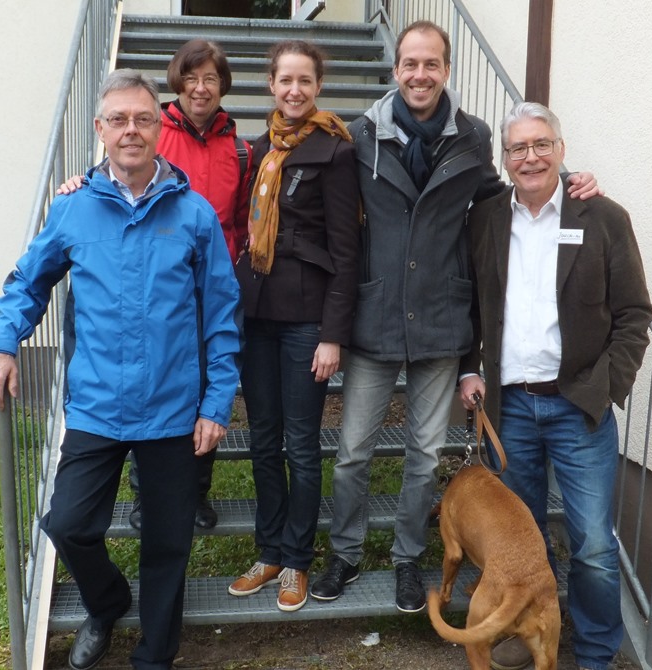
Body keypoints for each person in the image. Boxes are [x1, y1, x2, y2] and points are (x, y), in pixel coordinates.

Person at [310, 20, 600, 614]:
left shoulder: (472, 137)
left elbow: (507, 190)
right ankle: (345, 551)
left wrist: (566, 182)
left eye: (431, 64)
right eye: (410, 64)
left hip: (442, 323)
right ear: (396, 70)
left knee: (423, 456)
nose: (420, 75)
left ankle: (408, 558)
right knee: (352, 454)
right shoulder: (360, 135)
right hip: (374, 318)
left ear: (446, 70)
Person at [0, 69, 241, 670]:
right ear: (99, 130)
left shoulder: (194, 214)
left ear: (159, 128)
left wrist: (215, 402)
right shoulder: (74, 210)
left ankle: (154, 656)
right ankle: (107, 599)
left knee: (168, 543)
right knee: (68, 523)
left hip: (174, 408)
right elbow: (27, 284)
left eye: (143, 119)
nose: (131, 130)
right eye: (118, 120)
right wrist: (2, 343)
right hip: (98, 403)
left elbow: (223, 317)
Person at [459, 101, 652, 670]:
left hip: (578, 406)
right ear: (504, 158)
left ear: (562, 150)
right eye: (518, 148)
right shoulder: (488, 217)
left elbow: (635, 314)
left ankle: (595, 654)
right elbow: (471, 303)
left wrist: (605, 386)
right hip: (510, 405)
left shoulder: (604, 217)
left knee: (593, 545)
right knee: (522, 542)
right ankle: (532, 632)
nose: (531, 157)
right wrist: (469, 367)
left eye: (541, 144)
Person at [58, 39, 252, 532]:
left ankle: (189, 492)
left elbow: (241, 215)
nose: (201, 87)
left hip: (203, 272)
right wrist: (80, 185)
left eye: (211, 78)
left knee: (194, 392)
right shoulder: (156, 126)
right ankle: (150, 495)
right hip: (142, 261)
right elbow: (124, 168)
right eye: (192, 78)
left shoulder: (239, 148)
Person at [226, 39, 359, 612]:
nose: (295, 90)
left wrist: (333, 334)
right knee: (262, 443)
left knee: (301, 448)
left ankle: (298, 559)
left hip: (307, 323)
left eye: (305, 80)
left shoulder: (335, 151)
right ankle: (269, 550)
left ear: (318, 86)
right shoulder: (259, 150)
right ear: (271, 85)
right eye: (285, 80)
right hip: (256, 318)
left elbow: (347, 252)